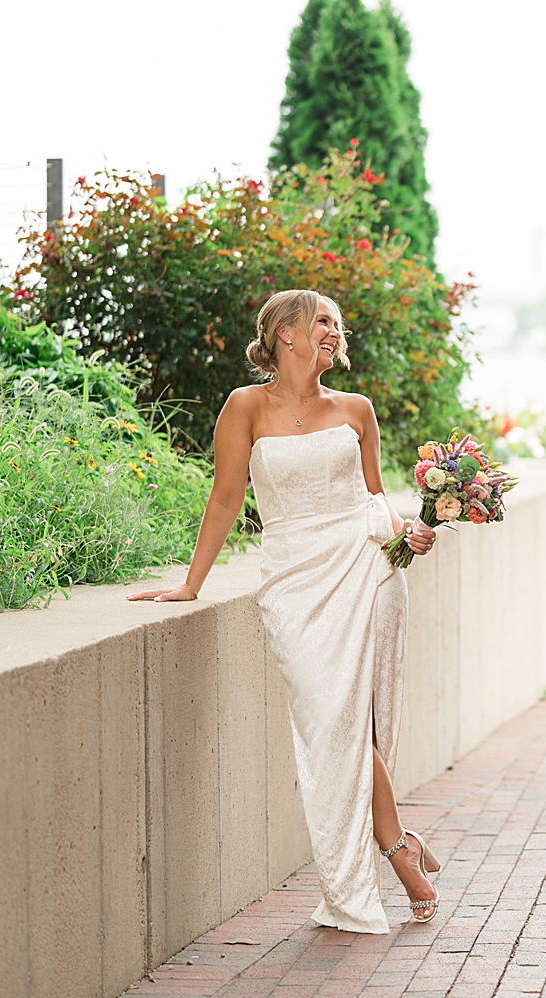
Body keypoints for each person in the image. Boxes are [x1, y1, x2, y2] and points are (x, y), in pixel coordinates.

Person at [127, 289, 442, 932]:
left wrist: (408, 529)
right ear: (284, 334)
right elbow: (224, 500)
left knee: (358, 722)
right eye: (322, 321)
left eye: (337, 323)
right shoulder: (245, 407)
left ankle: (391, 854)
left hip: (365, 565)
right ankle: (399, 845)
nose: (334, 331)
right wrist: (191, 584)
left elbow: (374, 497)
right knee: (330, 717)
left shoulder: (356, 410)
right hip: (294, 578)